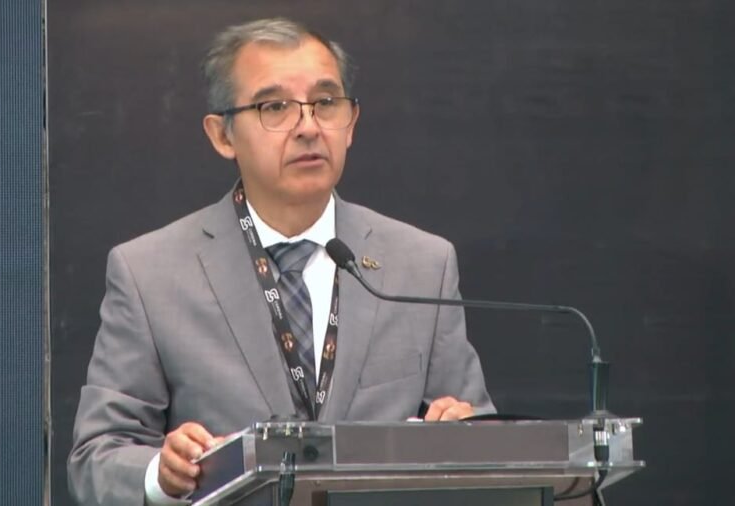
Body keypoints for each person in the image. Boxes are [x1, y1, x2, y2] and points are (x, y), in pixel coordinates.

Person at [68, 17, 495, 506]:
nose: (308, 127)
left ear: (351, 123)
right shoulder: (150, 274)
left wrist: (466, 436)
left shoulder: (422, 264)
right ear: (222, 135)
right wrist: (161, 475)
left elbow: (484, 438)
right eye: (274, 107)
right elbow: (97, 456)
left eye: (326, 103)